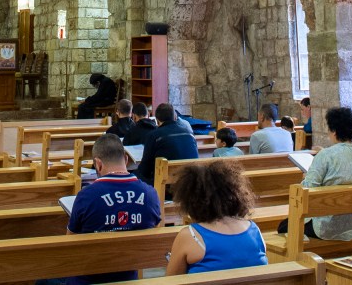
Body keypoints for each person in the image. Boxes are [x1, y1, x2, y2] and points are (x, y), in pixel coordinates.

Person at [65, 133, 162, 284]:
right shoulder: (150, 194)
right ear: (126, 159)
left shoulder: (87, 196)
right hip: (129, 278)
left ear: (98, 164)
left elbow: (69, 245)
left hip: (89, 278)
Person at [278, 106, 352, 239]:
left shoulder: (326, 155)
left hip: (327, 228)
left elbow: (306, 190)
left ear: (334, 131)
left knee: (283, 227)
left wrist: (306, 178)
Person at [164, 159, 269, 274]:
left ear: (191, 200)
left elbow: (171, 280)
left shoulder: (190, 235)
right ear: (235, 193)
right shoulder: (254, 231)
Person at [135, 103, 199, 184]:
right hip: (190, 181)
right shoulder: (189, 133)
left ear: (157, 120)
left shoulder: (154, 135)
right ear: (175, 117)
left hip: (166, 185)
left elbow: (145, 170)